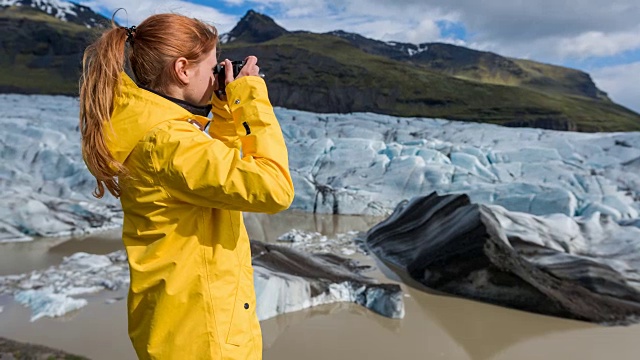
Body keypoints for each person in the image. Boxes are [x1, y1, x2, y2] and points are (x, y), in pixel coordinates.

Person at [79, 12, 294, 360]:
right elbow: (274, 188)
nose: (218, 76)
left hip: (183, 329)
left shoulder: (156, 133)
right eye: (212, 68)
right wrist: (249, 98)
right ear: (182, 70)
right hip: (204, 340)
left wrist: (224, 113)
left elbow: (221, 183)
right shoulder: (169, 143)